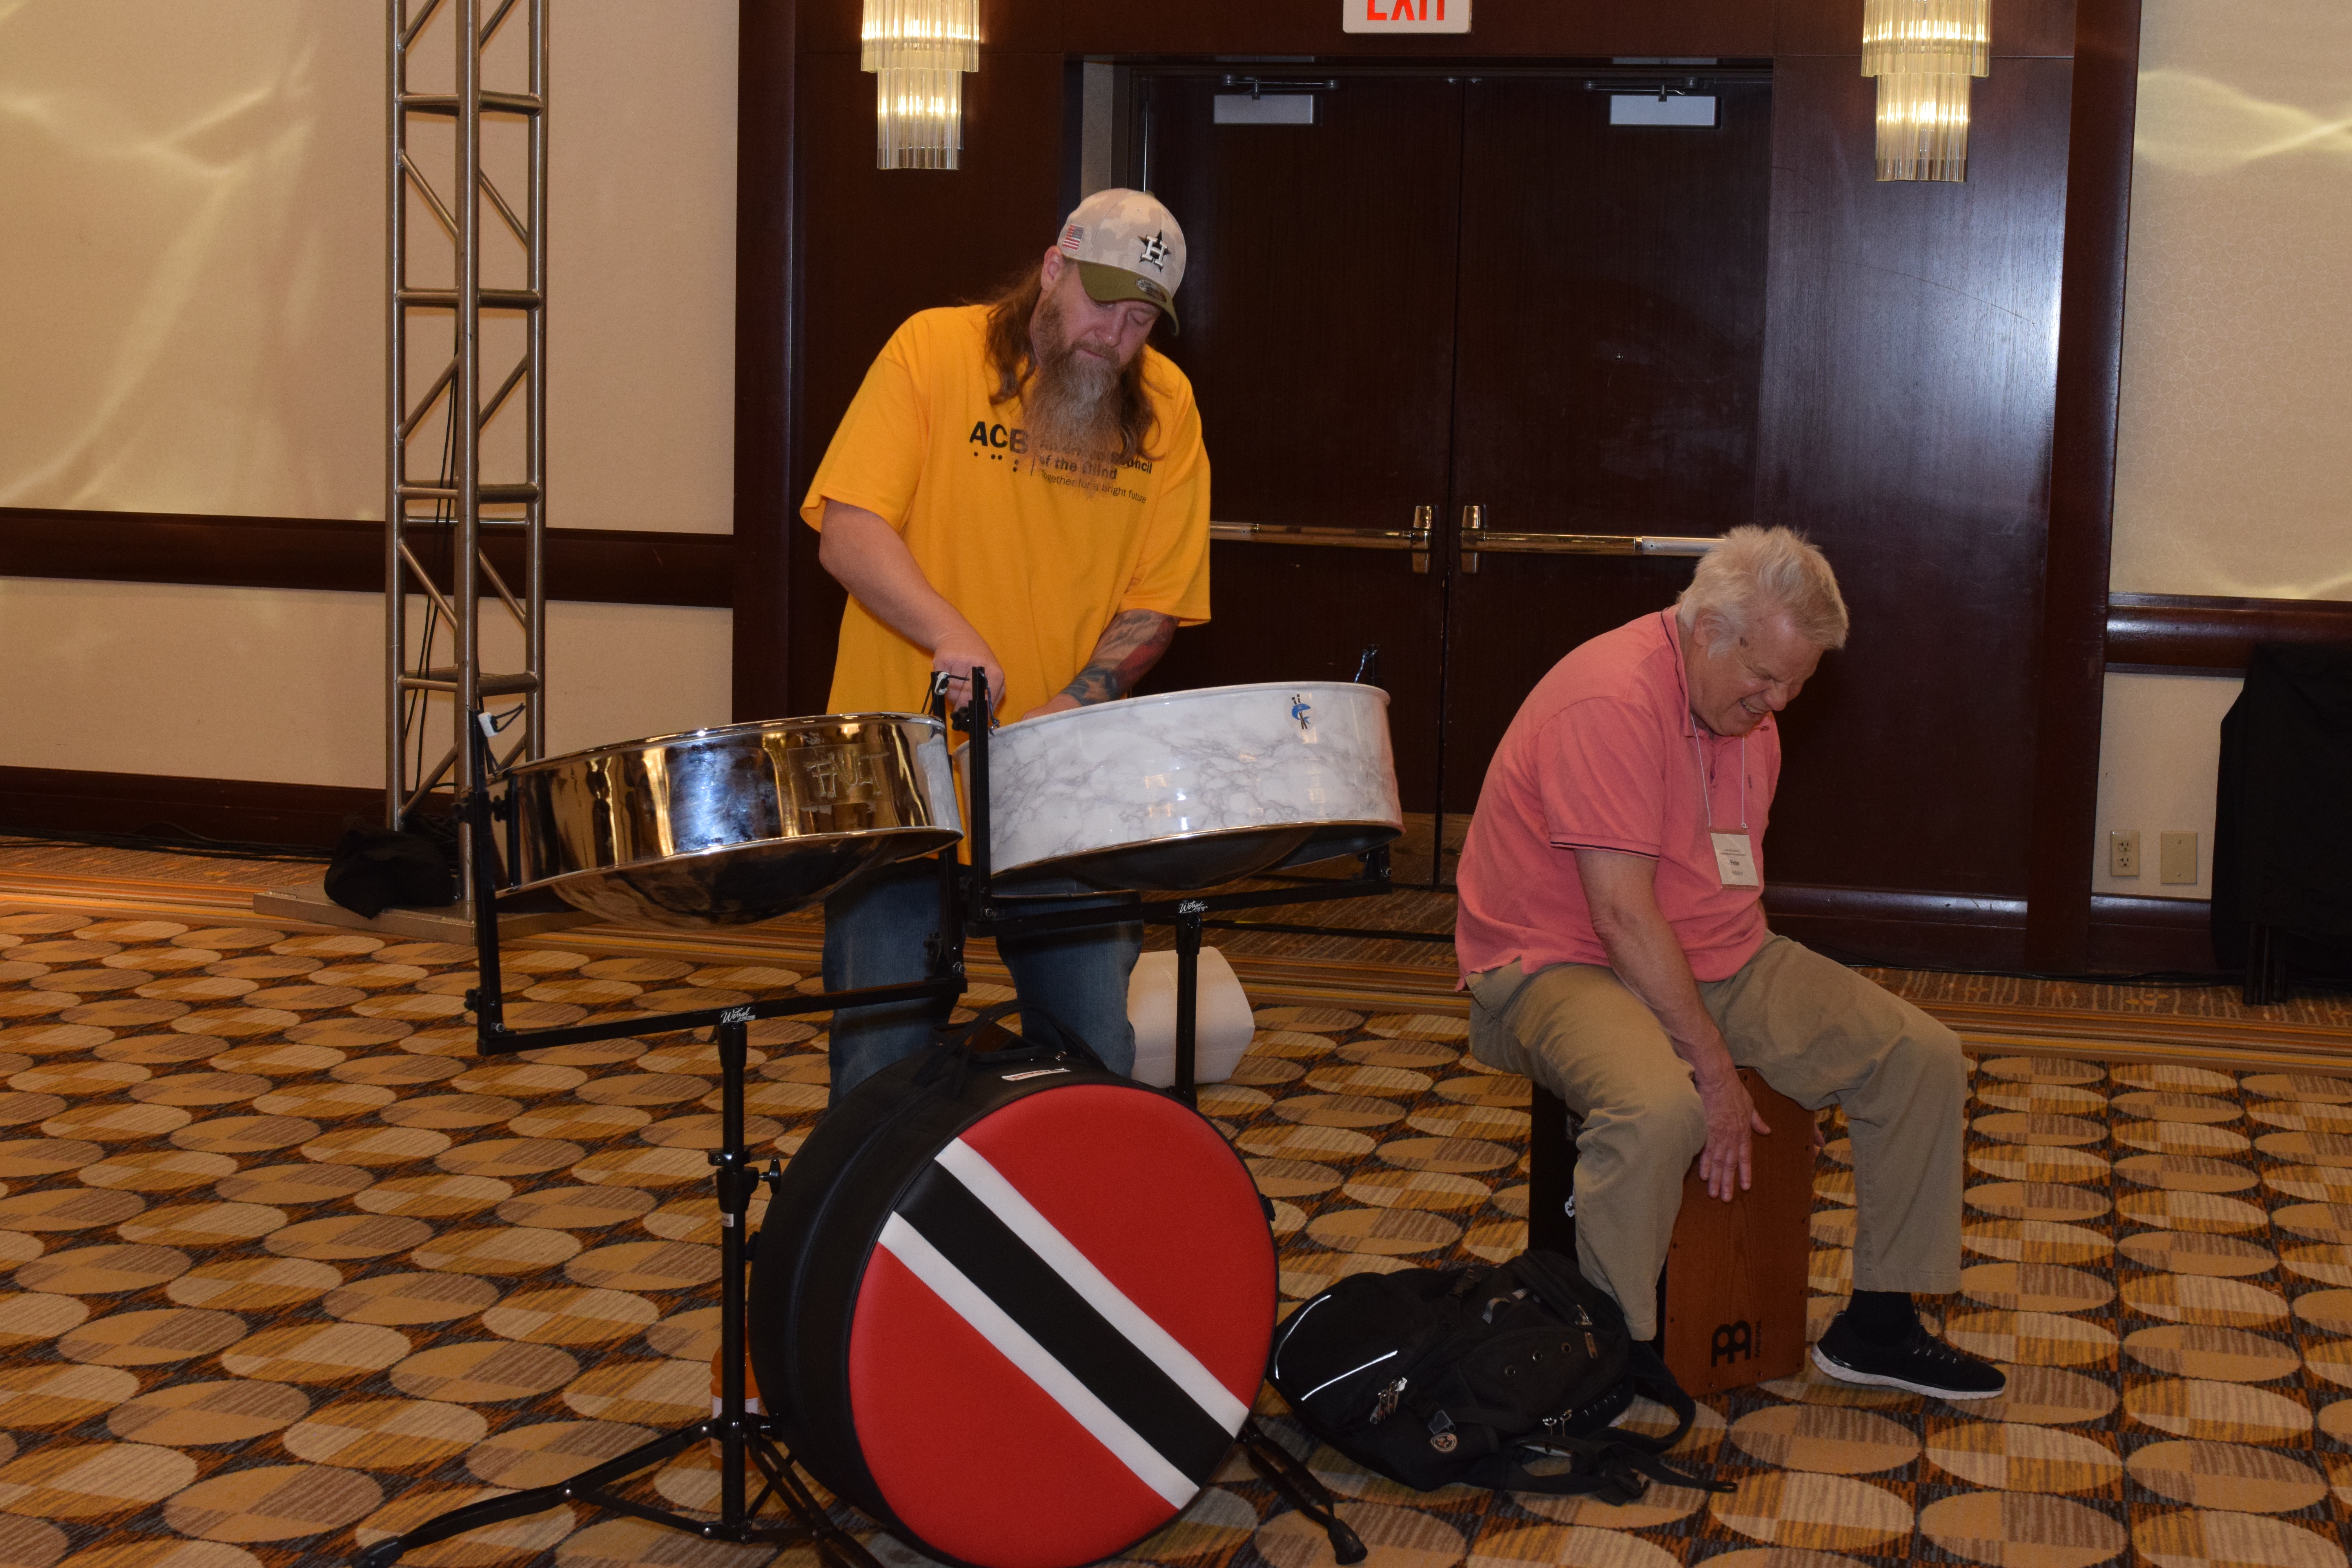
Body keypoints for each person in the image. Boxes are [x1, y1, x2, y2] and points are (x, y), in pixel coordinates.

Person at [1453, 526, 2003, 1399]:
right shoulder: (1611, 701)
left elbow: (1728, 884)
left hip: (1700, 950)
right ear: (1706, 629)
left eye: (1796, 683)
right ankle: (1615, 1355)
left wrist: (1790, 1065)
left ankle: (1879, 1324)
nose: (1779, 702)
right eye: (1765, 677)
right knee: (1657, 1107)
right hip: (1559, 958)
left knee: (1915, 1054)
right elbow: (1621, 917)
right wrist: (1714, 1065)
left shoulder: (1746, 715)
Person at [801, 189, 1211, 1103]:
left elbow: (1158, 605)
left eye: (1143, 315)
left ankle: (1062, 1237)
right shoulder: (933, 350)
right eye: (1104, 300)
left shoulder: (1167, 409)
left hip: (1064, 786)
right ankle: (881, 1239)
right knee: (880, 1061)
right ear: (1054, 267)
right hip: (898, 779)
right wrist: (953, 636)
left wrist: (1076, 703)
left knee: (1090, 1054)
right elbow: (850, 529)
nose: (1117, 332)